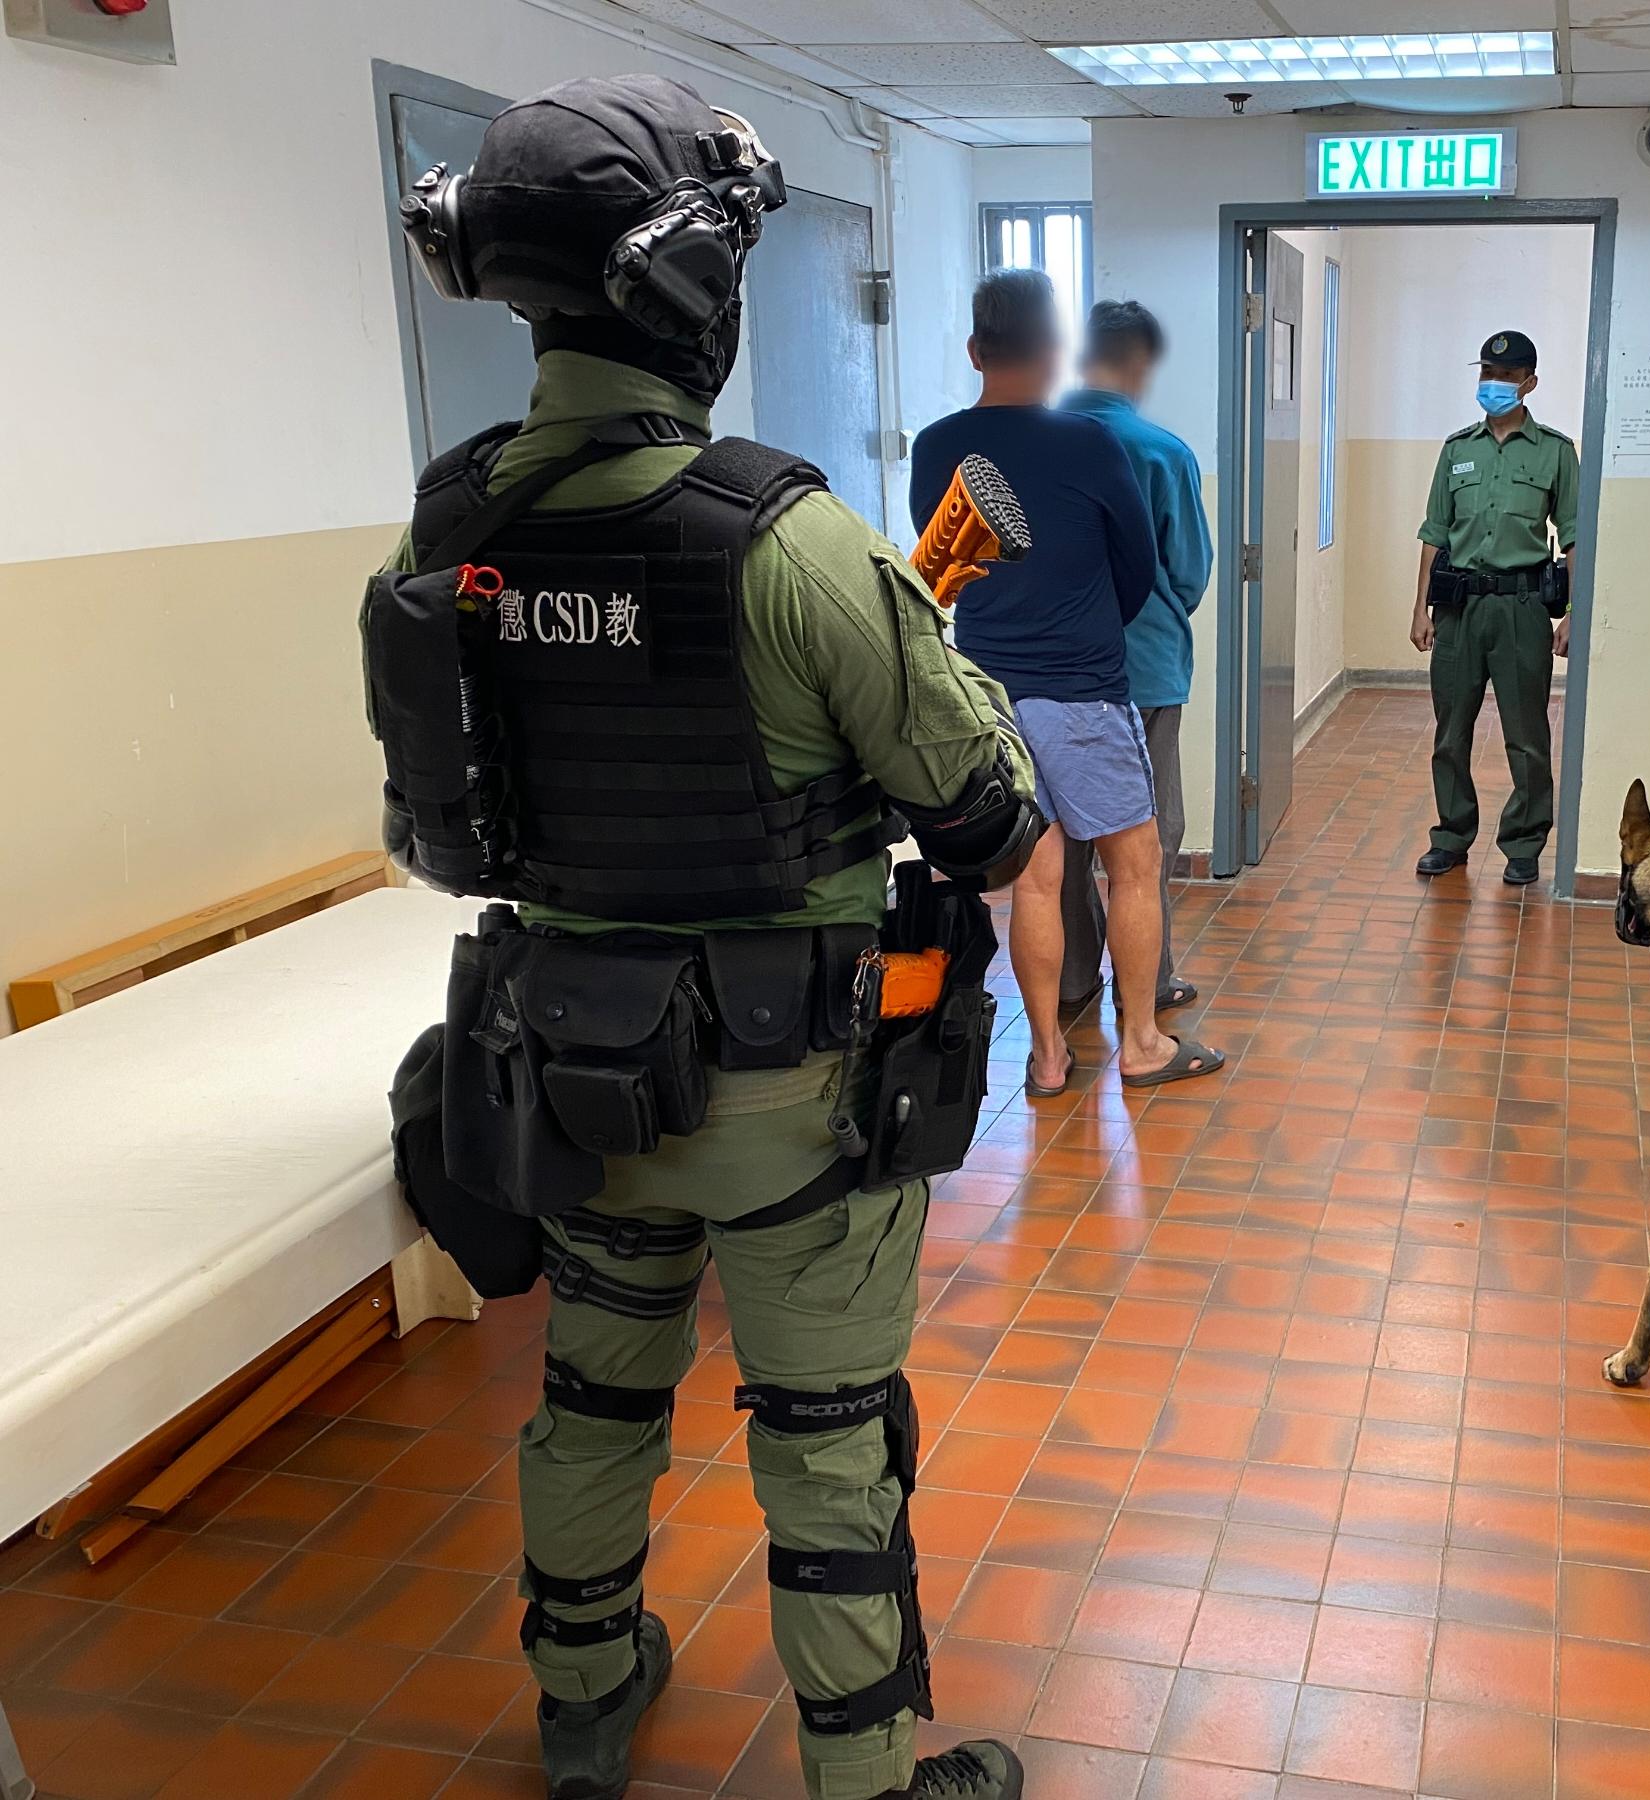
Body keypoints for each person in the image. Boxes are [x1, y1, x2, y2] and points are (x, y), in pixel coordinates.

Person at [373, 76, 1042, 1800]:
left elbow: (444, 818)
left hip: (572, 1086)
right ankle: (869, 1774)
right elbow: (988, 821)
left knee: (592, 1403)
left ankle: (583, 1699)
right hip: (786, 1110)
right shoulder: (792, 544)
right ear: (695, 292)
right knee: (826, 1449)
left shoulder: (453, 531)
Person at [911, 272, 1223, 1094]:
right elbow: (1139, 568)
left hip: (985, 694)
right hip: (1082, 690)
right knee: (1135, 863)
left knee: (1038, 881)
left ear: (977, 350)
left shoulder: (937, 446)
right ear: (1055, 357)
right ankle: (1145, 1042)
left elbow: (938, 567)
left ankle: (1047, 1058)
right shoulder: (1091, 446)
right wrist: (1086, 628)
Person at [1055, 300, 1212, 1018]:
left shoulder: (1029, 445)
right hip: (1140, 667)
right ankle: (1145, 987)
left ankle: (1072, 981)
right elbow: (1188, 572)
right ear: (1139, 361)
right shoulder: (1159, 451)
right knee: (1147, 837)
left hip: (1047, 676)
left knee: (1063, 836)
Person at [1412, 330, 1579, 887]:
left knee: (1526, 734)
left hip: (1522, 607)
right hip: (1458, 610)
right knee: (1449, 731)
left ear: (1529, 383)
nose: (1494, 384)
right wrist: (1420, 609)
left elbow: (1576, 536)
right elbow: (1434, 534)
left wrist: (1573, 613)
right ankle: (1451, 836)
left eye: (1506, 377)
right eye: (1486, 373)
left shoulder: (1556, 452)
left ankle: (1525, 841)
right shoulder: (1457, 449)